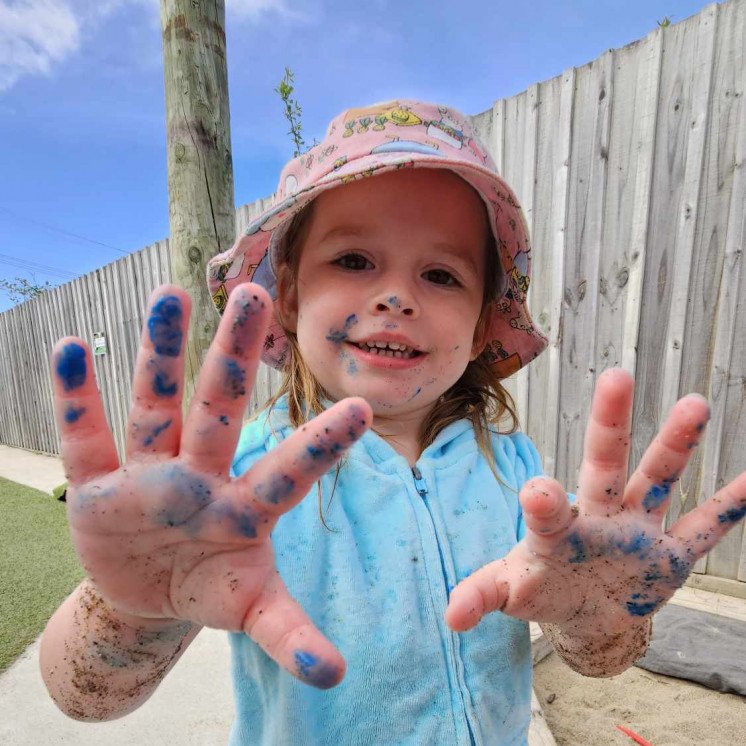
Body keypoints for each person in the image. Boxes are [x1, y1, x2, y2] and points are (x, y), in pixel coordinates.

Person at [41, 100, 746, 745]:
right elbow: (84, 699)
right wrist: (132, 613)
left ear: (479, 326)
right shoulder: (233, 486)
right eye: (353, 259)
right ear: (287, 296)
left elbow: (595, 659)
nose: (395, 296)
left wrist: (598, 622)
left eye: (442, 275)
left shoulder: (514, 467)